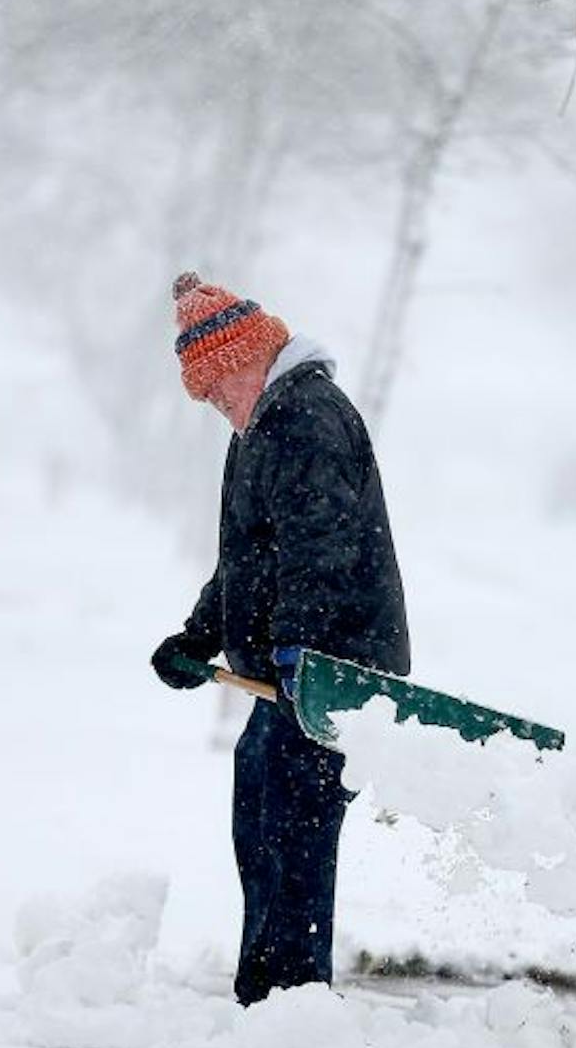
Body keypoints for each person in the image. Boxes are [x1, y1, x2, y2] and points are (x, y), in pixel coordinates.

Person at [149, 271, 409, 1007]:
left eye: (216, 391)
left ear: (243, 362)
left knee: (294, 828)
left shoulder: (306, 420)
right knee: (260, 814)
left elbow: (317, 548)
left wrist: (301, 650)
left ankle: (291, 995)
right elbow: (247, 557)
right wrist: (199, 637)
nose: (215, 407)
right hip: (288, 675)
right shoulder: (260, 426)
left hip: (334, 672)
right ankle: (264, 987)